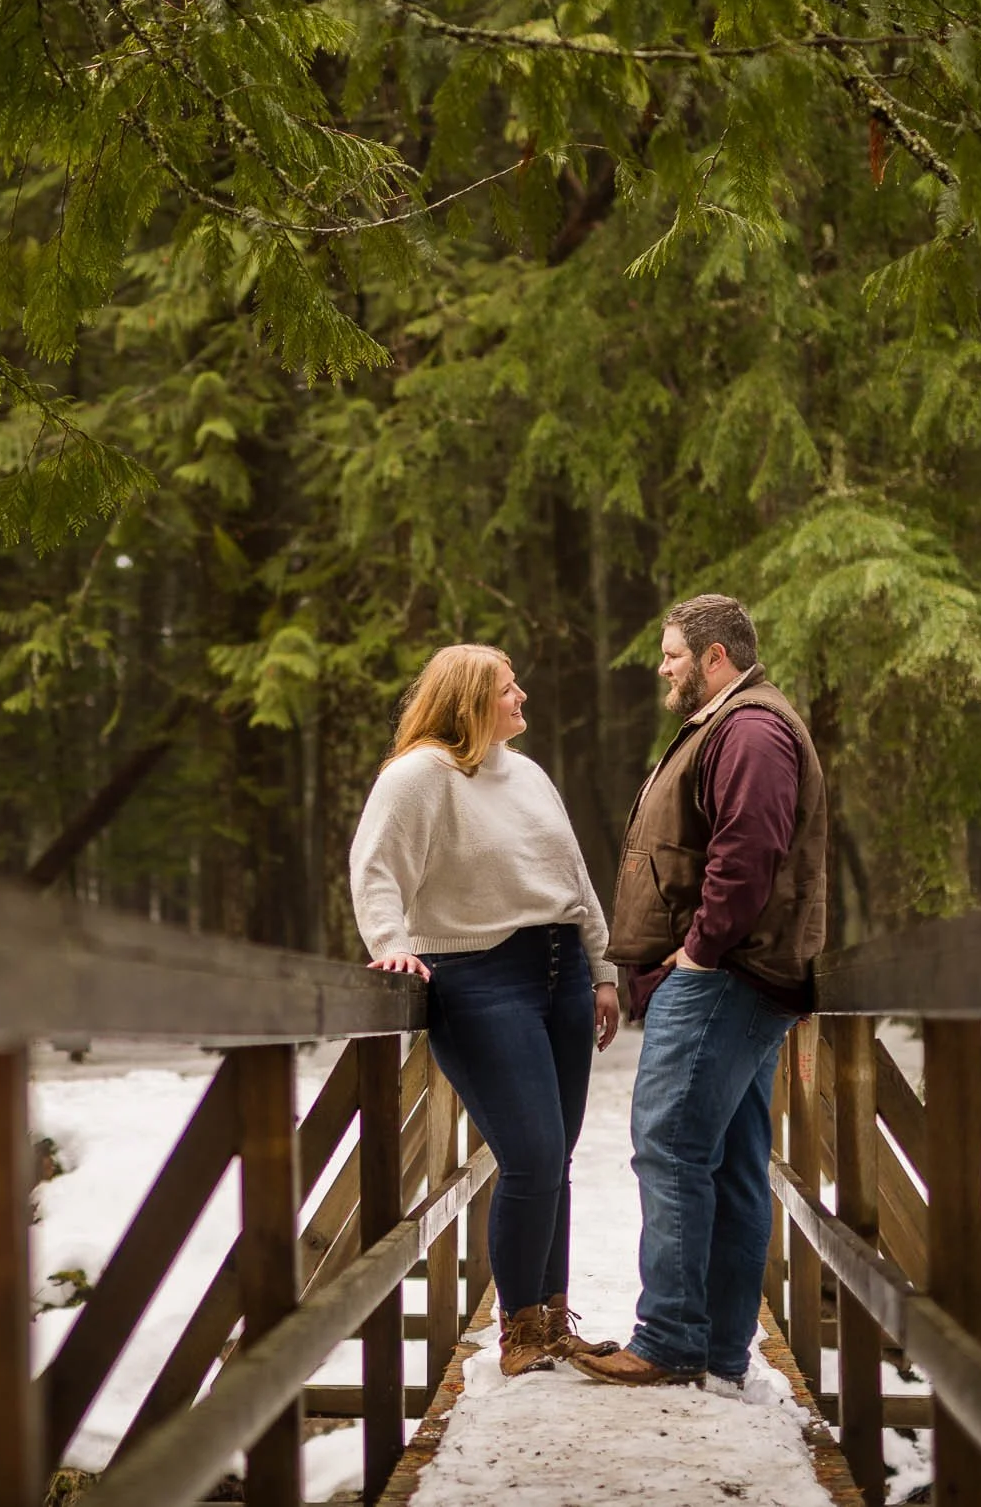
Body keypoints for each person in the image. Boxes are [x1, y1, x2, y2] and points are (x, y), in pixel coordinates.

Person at [567, 595, 827, 1395]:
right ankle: (718, 1353)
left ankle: (672, 1338)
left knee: (671, 1143)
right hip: (736, 976)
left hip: (723, 976)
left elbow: (748, 852)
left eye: (674, 654)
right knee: (733, 1158)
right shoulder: (733, 722)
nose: (663, 668)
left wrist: (699, 951)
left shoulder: (749, 729)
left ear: (716, 657)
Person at [349, 644, 622, 1376]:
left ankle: (553, 1320)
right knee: (530, 1155)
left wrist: (602, 971)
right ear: (469, 700)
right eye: (508, 687)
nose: (521, 695)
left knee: (556, 1156)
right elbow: (377, 868)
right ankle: (519, 1332)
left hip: (562, 971)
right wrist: (392, 944)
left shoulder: (527, 774)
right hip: (480, 978)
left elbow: (575, 881)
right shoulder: (418, 775)